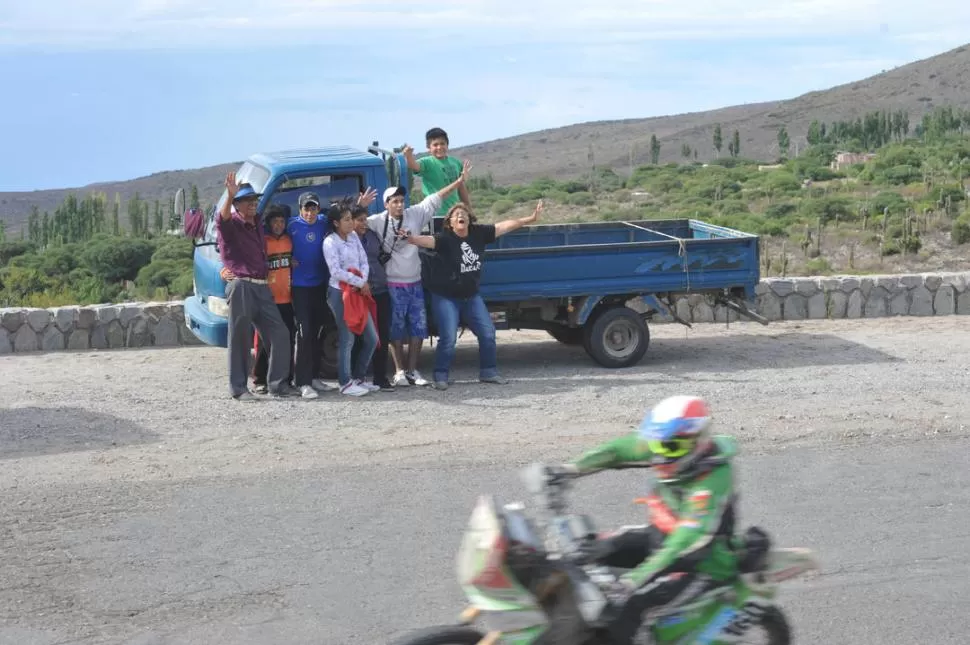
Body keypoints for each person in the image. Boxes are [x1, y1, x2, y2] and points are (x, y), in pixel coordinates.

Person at [556, 395, 741, 643]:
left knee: (630, 608)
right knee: (581, 552)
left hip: (700, 563)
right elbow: (620, 450)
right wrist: (568, 470)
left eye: (669, 448)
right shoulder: (667, 446)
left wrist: (634, 580)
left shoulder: (711, 481)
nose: (658, 458)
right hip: (661, 539)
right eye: (656, 446)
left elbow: (687, 538)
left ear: (699, 441)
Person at [404, 200, 542, 390]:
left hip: (470, 296)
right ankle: (441, 376)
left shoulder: (479, 233)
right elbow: (428, 241)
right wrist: (412, 239)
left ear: (469, 219)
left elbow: (503, 226)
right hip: (446, 297)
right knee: (448, 338)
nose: (461, 216)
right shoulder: (445, 239)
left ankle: (489, 372)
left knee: (487, 333)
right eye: (456, 215)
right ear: (450, 223)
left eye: (464, 214)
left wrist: (530, 218)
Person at [367, 160, 471, 388]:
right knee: (395, 329)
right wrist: (360, 204)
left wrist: (458, 182)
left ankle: (413, 370)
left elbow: (436, 197)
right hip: (393, 283)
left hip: (414, 282)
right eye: (394, 201)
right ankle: (399, 371)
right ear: (386, 204)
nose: (399, 204)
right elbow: (350, 223)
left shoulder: (414, 214)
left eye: (401, 200)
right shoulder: (376, 222)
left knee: (417, 328)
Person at [288, 188, 377, 399]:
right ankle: (305, 382)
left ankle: (328, 377)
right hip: (306, 287)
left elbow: (344, 213)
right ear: (299, 209)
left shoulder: (330, 224)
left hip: (324, 286)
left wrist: (362, 281)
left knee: (321, 333)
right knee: (306, 333)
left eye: (313, 208)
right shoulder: (295, 226)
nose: (310, 212)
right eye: (305, 208)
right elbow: (336, 270)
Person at [215, 171, 294, 401]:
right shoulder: (232, 225)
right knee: (240, 337)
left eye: (254, 200)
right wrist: (229, 197)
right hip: (242, 286)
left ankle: (278, 386)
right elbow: (222, 220)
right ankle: (238, 389)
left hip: (262, 286)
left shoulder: (257, 222)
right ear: (237, 205)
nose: (253, 204)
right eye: (247, 200)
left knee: (280, 333)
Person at [323, 200, 380, 397]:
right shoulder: (330, 242)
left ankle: (359, 378)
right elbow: (336, 270)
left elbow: (364, 260)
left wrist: (362, 281)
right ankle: (345, 382)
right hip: (341, 293)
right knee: (347, 338)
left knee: (372, 338)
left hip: (358, 291)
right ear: (336, 223)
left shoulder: (354, 236)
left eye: (350, 219)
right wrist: (359, 282)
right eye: (346, 220)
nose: (350, 223)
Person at [251, 204, 296, 393]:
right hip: (268, 299)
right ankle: (260, 379)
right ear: (268, 223)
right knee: (264, 342)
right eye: (275, 221)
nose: (278, 225)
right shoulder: (264, 241)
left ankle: (287, 379)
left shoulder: (289, 240)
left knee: (288, 340)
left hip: (287, 299)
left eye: (281, 221)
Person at [350, 204, 394, 391]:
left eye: (365, 220)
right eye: (359, 220)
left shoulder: (372, 235)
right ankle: (356, 377)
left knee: (382, 335)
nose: (364, 223)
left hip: (380, 290)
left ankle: (380, 377)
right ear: (349, 222)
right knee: (359, 336)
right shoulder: (346, 240)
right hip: (359, 293)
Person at [403, 127, 471, 217]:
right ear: (429, 148)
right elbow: (413, 165)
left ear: (447, 145)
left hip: (454, 214)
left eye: (442, 144)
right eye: (435, 145)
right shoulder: (427, 162)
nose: (439, 147)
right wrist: (408, 156)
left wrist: (469, 209)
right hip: (435, 215)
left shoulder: (455, 162)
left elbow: (461, 187)